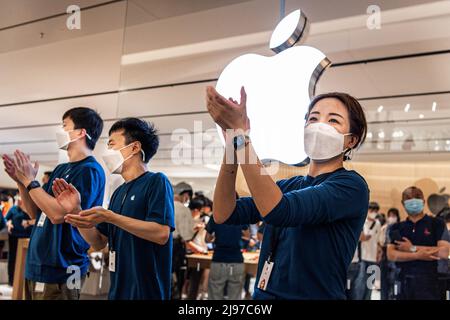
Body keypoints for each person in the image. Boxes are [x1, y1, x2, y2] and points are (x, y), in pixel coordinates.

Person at [206, 87, 369, 299]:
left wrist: (241, 137)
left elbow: (280, 211)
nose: (320, 125)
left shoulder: (351, 186)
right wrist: (231, 144)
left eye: (333, 121)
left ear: (351, 140)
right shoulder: (288, 186)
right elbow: (224, 213)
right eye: (313, 118)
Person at [63, 117, 175, 300]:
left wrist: (110, 217)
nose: (108, 151)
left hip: (147, 292)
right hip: (117, 289)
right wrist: (76, 210)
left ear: (135, 147)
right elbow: (99, 242)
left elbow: (161, 233)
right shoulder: (118, 192)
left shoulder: (156, 182)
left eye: (112, 144)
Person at [2, 106, 105, 300]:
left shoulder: (89, 170)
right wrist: (21, 182)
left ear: (81, 132)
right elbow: (36, 212)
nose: (61, 131)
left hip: (63, 268)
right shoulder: (60, 168)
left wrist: (30, 182)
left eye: (65, 126)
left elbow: (59, 215)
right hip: (37, 264)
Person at [387, 186, 450, 300]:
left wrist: (412, 248)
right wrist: (419, 255)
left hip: (429, 283)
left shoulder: (437, 224)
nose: (413, 201)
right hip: (403, 282)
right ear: (403, 203)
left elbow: (443, 252)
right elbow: (391, 254)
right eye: (408, 198)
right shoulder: (396, 228)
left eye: (417, 197)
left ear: (423, 201)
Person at [206, 214, 248, 300]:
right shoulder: (241, 215)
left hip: (219, 259)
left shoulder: (215, 215)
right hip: (236, 260)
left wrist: (217, 237)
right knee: (235, 297)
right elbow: (247, 236)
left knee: (215, 295)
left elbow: (207, 238)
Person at [5, 196, 35, 286]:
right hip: (14, 237)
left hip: (27, 237)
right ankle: (11, 280)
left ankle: (23, 282)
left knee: (25, 260)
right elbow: (6, 219)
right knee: (12, 259)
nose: (18, 201)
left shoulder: (30, 209)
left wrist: (24, 208)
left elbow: (35, 219)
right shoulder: (13, 209)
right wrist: (9, 224)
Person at [172, 182, 194, 299]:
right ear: (185, 194)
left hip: (160, 246)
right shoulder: (184, 210)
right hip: (176, 248)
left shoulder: (165, 205)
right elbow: (187, 236)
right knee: (178, 278)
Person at [358, 201, 382, 300]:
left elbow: (378, 241)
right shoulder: (362, 221)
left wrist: (379, 253)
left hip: (373, 258)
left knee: (369, 284)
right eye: (371, 210)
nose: (373, 212)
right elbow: (361, 238)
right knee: (360, 284)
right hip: (362, 257)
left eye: (375, 210)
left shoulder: (378, 223)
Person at [378, 208, 401, 300]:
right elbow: (380, 241)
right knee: (384, 284)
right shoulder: (384, 228)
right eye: (390, 215)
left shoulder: (401, 227)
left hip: (396, 259)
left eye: (394, 216)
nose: (391, 218)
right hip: (385, 258)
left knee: (395, 283)